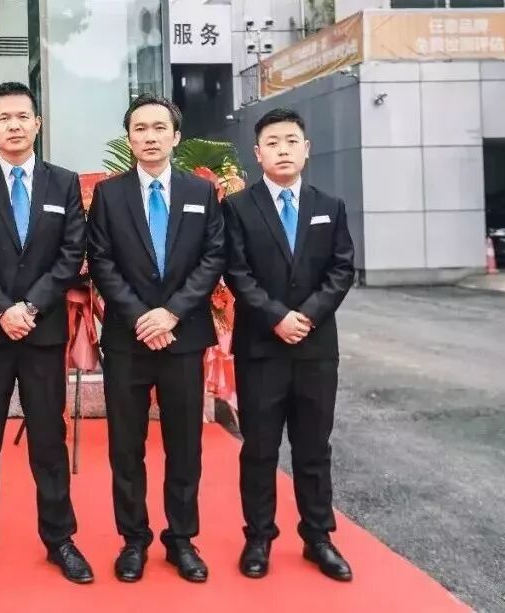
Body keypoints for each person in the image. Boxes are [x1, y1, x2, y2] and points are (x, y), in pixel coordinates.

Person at [0, 82, 91, 584]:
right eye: (4, 118)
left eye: (22, 116)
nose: (14, 125)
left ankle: (60, 538)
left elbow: (71, 254)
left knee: (49, 439)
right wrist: (2, 309)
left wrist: (30, 307)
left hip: (42, 331)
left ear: (37, 123)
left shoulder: (63, 183)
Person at [87, 95, 225, 583]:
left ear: (175, 136)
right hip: (127, 340)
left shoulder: (201, 192)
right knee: (126, 446)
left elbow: (213, 257)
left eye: (159, 127)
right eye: (140, 128)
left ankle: (181, 539)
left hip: (182, 338)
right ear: (129, 138)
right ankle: (134, 539)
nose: (150, 136)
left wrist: (171, 313)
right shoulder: (109, 195)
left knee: (184, 444)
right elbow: (100, 261)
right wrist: (141, 316)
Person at [223, 108, 355, 582]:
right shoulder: (238, 208)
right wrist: (277, 317)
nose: (283, 149)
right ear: (257, 153)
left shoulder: (329, 205)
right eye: (273, 142)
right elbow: (236, 271)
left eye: (291, 140)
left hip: (316, 349)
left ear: (306, 148)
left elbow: (342, 268)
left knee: (313, 447)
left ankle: (318, 536)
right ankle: (259, 536)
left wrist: (309, 315)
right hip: (261, 348)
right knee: (259, 448)